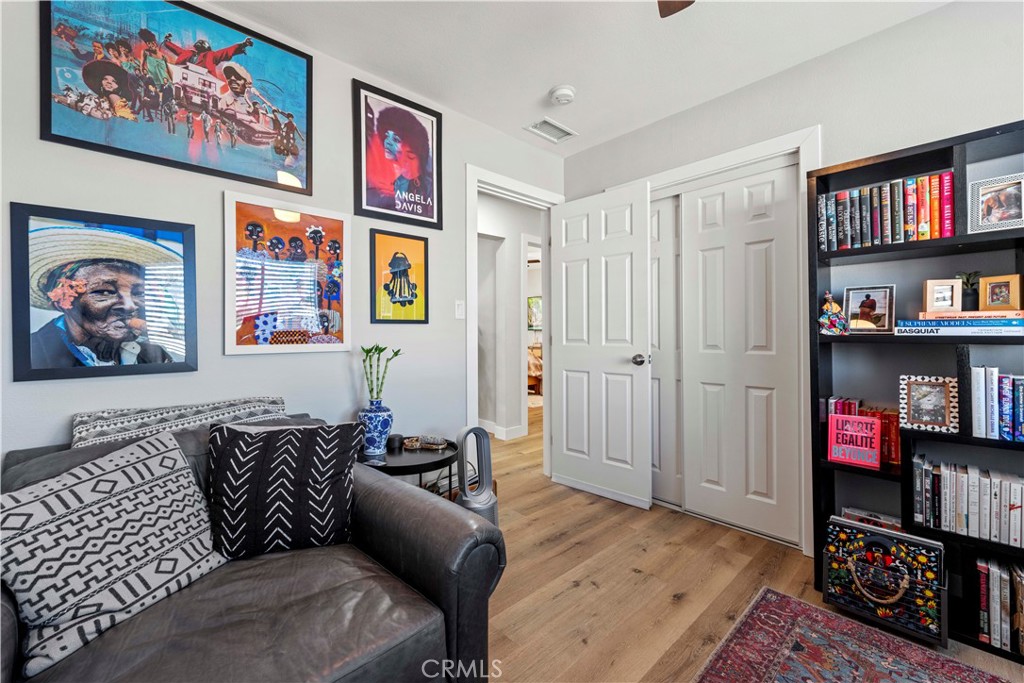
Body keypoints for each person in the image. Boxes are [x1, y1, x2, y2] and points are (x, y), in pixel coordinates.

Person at [27, 226, 180, 368]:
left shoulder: (155, 355)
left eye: (138, 293)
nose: (130, 306)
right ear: (62, 302)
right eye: (104, 292)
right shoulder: (32, 355)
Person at [162, 33, 254, 75]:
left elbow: (225, 52)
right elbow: (175, 48)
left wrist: (243, 45)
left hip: (204, 81)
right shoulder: (188, 53)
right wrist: (167, 42)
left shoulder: (210, 55)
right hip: (183, 75)